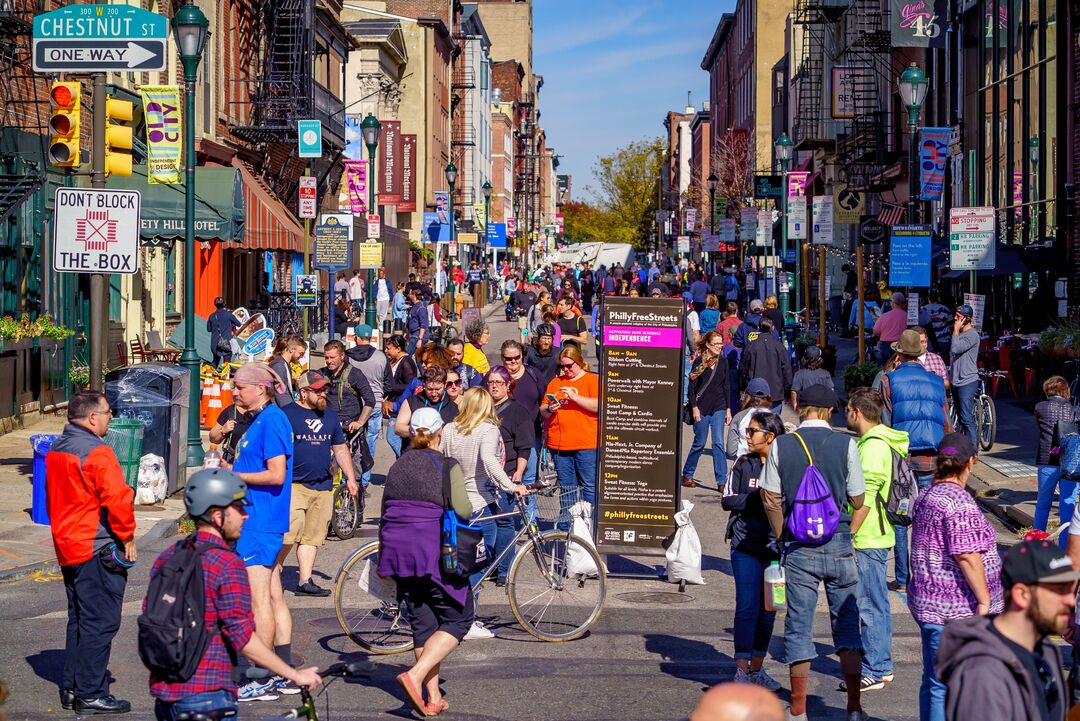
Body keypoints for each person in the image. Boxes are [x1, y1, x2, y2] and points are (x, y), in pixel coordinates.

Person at [148, 469, 321, 720]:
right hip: (208, 695)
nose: (245, 515)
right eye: (238, 509)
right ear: (218, 516)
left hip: (166, 692)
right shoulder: (226, 563)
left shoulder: (170, 556)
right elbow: (242, 636)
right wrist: (292, 674)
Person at [758, 384, 868, 721]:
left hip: (798, 546)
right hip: (838, 541)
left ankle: (799, 708)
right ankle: (853, 707)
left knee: (798, 626)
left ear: (798, 406)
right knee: (848, 628)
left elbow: (769, 496)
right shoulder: (845, 444)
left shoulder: (783, 445)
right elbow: (858, 498)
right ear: (829, 410)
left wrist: (783, 534)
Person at [378, 407, 474, 717]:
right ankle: (415, 675)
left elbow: (384, 508)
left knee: (423, 623)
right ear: (439, 432)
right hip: (432, 551)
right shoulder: (446, 465)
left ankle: (431, 698)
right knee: (460, 618)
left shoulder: (397, 466)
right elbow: (463, 509)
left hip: (398, 553)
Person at [46, 390, 137, 714]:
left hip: (68, 541)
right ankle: (91, 692)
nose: (111, 418)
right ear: (93, 417)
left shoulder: (58, 446)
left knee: (80, 619)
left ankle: (73, 687)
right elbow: (117, 498)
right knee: (101, 621)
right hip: (94, 542)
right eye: (109, 413)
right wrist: (127, 536)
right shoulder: (97, 451)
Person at [908, 433, 1004, 721]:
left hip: (929, 605)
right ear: (970, 463)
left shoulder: (928, 494)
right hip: (957, 610)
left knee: (935, 682)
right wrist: (985, 601)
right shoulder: (959, 502)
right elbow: (966, 555)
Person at [937, 537, 1077, 721]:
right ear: (1022, 595)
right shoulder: (984, 674)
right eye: (1059, 590)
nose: (1071, 601)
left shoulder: (1046, 649)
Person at [227, 363, 296, 702]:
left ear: (260, 388)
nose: (234, 392)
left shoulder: (271, 421)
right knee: (271, 596)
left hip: (260, 521)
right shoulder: (262, 420)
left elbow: (277, 475)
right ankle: (280, 672)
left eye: (240, 386)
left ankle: (261, 676)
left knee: (258, 602)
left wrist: (233, 476)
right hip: (258, 520)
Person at [441, 388, 530, 639]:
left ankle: (452, 613)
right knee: (479, 561)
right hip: (479, 501)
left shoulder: (449, 429)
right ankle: (466, 620)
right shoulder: (487, 429)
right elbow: (490, 462)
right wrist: (513, 486)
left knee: (455, 561)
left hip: (454, 501)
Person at [845, 388, 908, 692]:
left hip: (869, 534)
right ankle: (880, 664)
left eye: (847, 409)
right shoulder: (882, 441)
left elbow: (866, 497)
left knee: (869, 604)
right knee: (877, 603)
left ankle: (875, 667)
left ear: (857, 412)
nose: (845, 413)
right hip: (879, 532)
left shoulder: (872, 447)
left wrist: (850, 533)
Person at [878, 329, 948, 593]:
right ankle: (925, 575)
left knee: (900, 515)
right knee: (926, 517)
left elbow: (886, 420)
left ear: (899, 353)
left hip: (902, 457)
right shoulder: (935, 380)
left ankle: (903, 578)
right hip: (931, 455)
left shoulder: (889, 380)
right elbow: (945, 420)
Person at [279, 372, 357, 597]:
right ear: (303, 393)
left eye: (325, 390)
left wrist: (350, 478)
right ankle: (274, 571)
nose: (324, 394)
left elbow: (340, 449)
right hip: (293, 485)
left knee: (312, 536)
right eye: (318, 390)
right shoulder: (286, 415)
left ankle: (304, 581)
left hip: (323, 486)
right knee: (288, 534)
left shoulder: (330, 416)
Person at [722, 410, 784, 691]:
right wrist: (759, 498)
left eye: (752, 432)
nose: (746, 436)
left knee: (769, 609)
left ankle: (758, 669)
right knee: (747, 606)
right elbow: (727, 499)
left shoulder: (784, 465)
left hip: (774, 550)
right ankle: (742, 670)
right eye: (747, 431)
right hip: (744, 546)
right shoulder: (743, 463)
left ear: (769, 436)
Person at [486, 365, 536, 584]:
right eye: (491, 382)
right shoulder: (483, 409)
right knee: (486, 523)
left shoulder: (518, 411)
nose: (494, 386)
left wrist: (519, 473)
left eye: (499, 382)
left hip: (507, 475)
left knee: (505, 523)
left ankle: (504, 570)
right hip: (484, 477)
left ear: (508, 385)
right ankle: (488, 566)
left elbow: (524, 447)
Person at [541, 345, 600, 507]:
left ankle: (588, 525)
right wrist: (549, 409)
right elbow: (543, 409)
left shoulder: (592, 380)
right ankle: (565, 528)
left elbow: (598, 406)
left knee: (589, 486)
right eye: (562, 366)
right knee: (567, 489)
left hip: (586, 444)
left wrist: (575, 397)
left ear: (579, 362)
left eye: (569, 365)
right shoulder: (555, 382)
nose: (566, 369)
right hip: (560, 445)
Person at [320, 340, 375, 486]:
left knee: (354, 470)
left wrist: (360, 422)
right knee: (327, 469)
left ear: (342, 356)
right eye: (326, 358)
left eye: (332, 357)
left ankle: (356, 503)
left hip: (351, 429)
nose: (329, 361)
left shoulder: (355, 374)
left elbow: (370, 400)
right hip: (328, 427)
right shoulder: (321, 374)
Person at [683, 331, 731, 489]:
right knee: (700, 442)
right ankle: (688, 474)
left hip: (719, 406)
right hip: (702, 407)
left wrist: (729, 409)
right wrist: (694, 408)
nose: (719, 346)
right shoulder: (700, 362)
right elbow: (691, 387)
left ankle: (721, 481)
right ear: (708, 345)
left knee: (718, 442)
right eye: (716, 344)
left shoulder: (723, 362)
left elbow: (726, 386)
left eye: (720, 343)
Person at [1033, 375, 1080, 539]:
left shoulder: (1040, 407)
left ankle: (1037, 544)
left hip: (1047, 460)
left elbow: (1039, 426)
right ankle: (1065, 547)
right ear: (1065, 391)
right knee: (1067, 506)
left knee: (1043, 505)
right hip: (1070, 462)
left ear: (1048, 390)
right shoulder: (1075, 410)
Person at [343, 324, 387, 489]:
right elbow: (388, 382)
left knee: (352, 441)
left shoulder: (348, 357)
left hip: (356, 404)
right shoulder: (381, 357)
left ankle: (351, 475)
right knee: (370, 440)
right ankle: (365, 478)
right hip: (375, 403)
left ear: (357, 337)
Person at [394, 365, 459, 451]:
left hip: (439, 455)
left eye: (438, 389)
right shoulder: (411, 402)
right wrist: (418, 432)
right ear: (424, 384)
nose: (434, 393)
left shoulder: (453, 408)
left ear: (445, 385)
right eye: (429, 389)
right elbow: (398, 428)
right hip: (414, 453)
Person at [738, 318, 791, 414]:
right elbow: (787, 371)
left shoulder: (751, 346)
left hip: (755, 392)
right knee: (773, 424)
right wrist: (787, 393)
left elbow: (743, 369)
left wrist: (742, 388)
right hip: (775, 392)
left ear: (758, 328)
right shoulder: (779, 347)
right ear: (772, 328)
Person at [950, 304, 981, 447]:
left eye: (959, 317)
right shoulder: (959, 334)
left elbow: (956, 349)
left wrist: (955, 331)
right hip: (956, 380)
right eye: (955, 315)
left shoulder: (972, 335)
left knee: (966, 417)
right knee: (960, 417)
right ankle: (964, 445)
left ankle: (973, 450)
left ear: (967, 319)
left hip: (967, 380)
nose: (955, 319)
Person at [384, 335, 418, 458]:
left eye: (389, 348)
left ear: (398, 349)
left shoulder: (406, 363)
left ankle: (406, 461)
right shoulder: (394, 361)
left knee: (392, 437)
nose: (386, 351)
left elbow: (410, 386)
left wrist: (389, 387)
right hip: (393, 403)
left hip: (400, 405)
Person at [727, 378, 774, 462]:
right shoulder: (775, 418)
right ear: (768, 396)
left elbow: (731, 451)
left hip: (743, 464)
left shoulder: (739, 417)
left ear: (747, 396)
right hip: (768, 464)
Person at [208, 395, 251, 464]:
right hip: (233, 462)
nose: (235, 392)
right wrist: (222, 430)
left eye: (241, 388)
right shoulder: (231, 411)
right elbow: (212, 438)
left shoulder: (264, 412)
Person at [268, 335, 305, 407]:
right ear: (291, 349)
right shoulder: (279, 365)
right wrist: (291, 410)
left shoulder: (284, 364)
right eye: (300, 353)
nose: (301, 357)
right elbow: (282, 394)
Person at [872, 292, 909, 365]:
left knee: (887, 365)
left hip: (886, 345)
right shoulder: (907, 316)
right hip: (901, 345)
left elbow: (876, 331)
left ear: (893, 302)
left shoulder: (884, 316)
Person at [207, 297, 242, 368]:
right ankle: (225, 376)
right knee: (226, 363)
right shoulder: (229, 315)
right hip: (226, 342)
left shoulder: (212, 316)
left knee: (215, 361)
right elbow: (239, 324)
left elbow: (209, 329)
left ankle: (209, 374)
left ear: (215, 305)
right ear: (224, 304)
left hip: (215, 342)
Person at [919, 288, 952, 358]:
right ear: (938, 298)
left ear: (928, 298)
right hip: (944, 341)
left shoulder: (923, 310)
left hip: (929, 342)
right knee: (944, 363)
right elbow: (951, 325)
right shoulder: (945, 309)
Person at [527, 323, 559, 387]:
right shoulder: (529, 351)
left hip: (551, 387)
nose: (546, 342)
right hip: (534, 386)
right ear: (538, 339)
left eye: (549, 339)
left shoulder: (558, 353)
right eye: (544, 338)